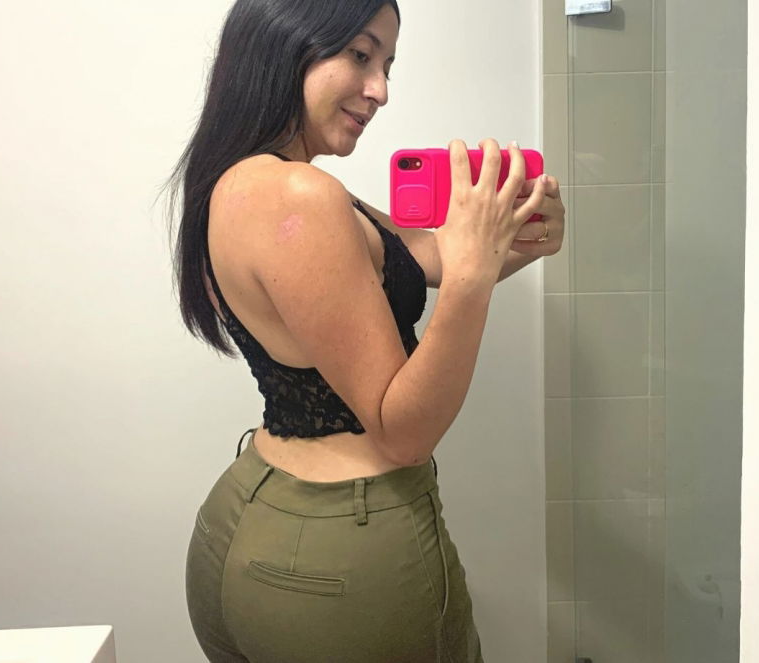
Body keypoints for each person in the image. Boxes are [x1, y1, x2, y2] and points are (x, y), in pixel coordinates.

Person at [167, 1, 565, 660]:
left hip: (251, 512)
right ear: (285, 44)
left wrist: (512, 236)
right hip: (335, 550)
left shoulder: (244, 179)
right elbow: (402, 431)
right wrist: (473, 275)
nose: (380, 89)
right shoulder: (299, 197)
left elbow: (426, 255)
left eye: (387, 65)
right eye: (360, 54)